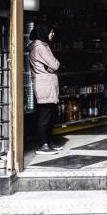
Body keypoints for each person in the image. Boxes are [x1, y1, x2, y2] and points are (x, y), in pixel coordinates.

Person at [29, 24, 62, 155]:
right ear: (44, 32)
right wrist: (53, 66)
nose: (53, 34)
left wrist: (51, 67)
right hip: (44, 86)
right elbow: (55, 64)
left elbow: (51, 66)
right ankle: (43, 144)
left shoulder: (42, 46)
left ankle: (48, 141)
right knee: (45, 116)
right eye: (51, 32)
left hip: (47, 85)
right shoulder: (40, 48)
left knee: (51, 115)